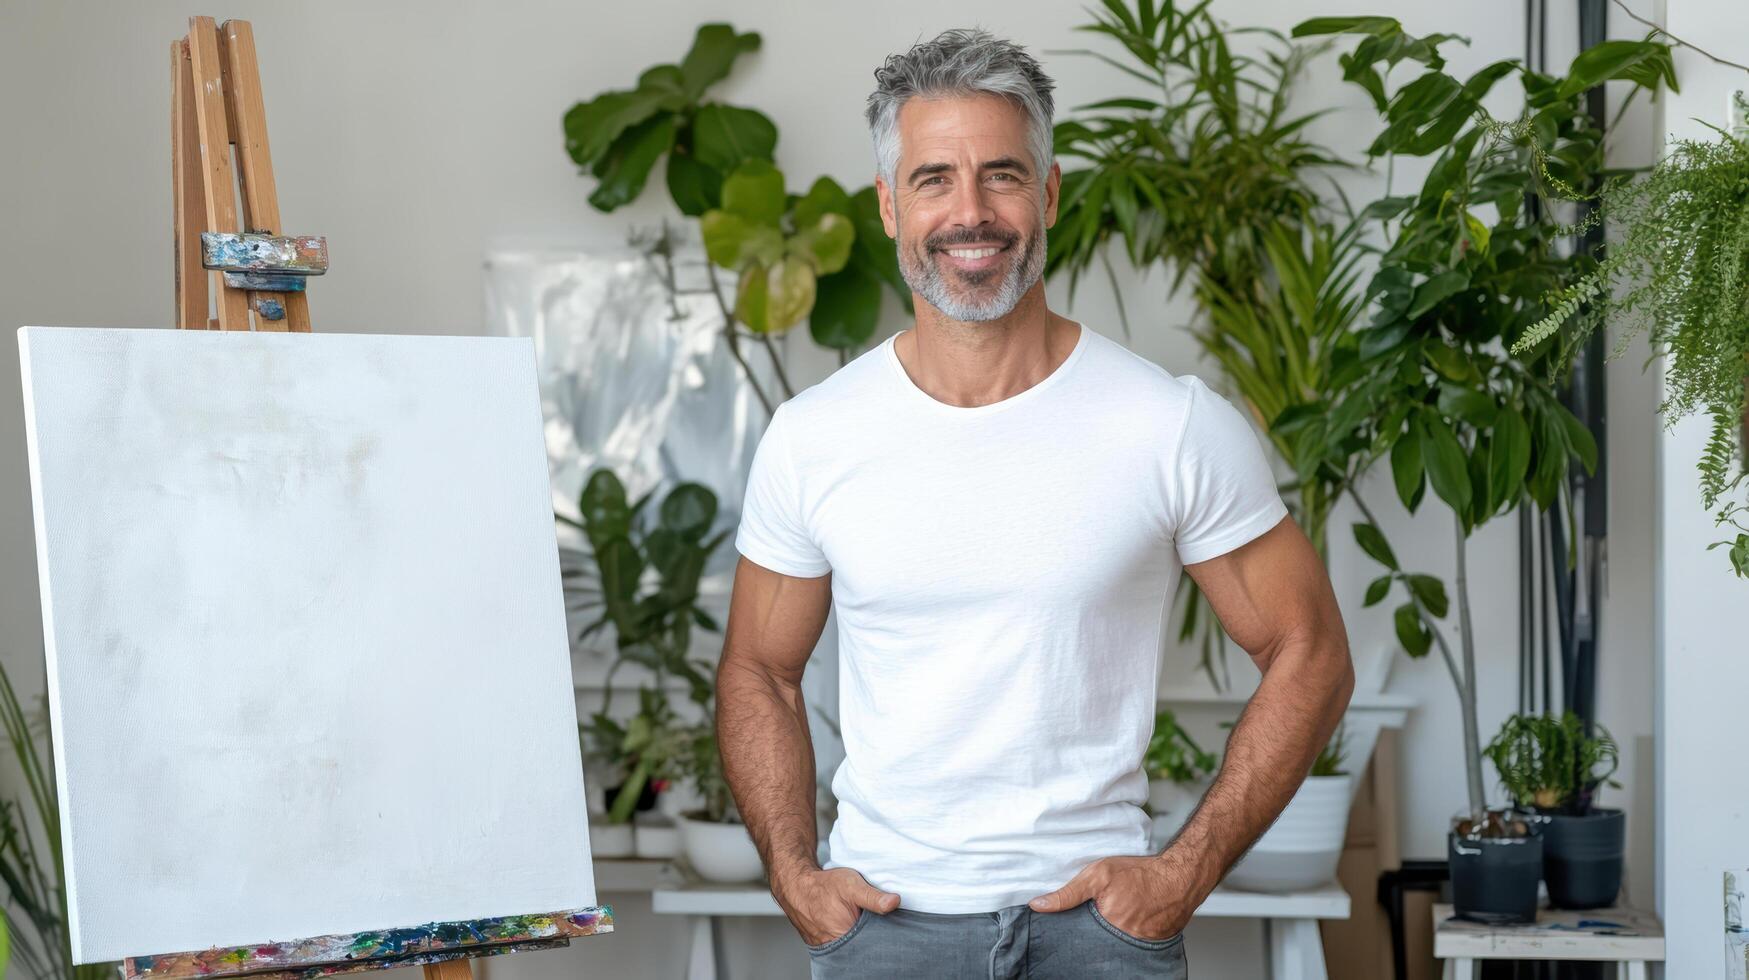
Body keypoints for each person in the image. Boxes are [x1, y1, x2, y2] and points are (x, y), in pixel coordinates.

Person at [714, 27, 1354, 979]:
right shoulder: (814, 437)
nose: (970, 213)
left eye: (1002, 175)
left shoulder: (1167, 424)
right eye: (933, 179)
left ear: (1048, 193)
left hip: (1099, 937)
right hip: (883, 932)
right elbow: (758, 669)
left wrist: (1180, 874)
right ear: (889, 207)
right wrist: (795, 876)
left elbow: (1310, 652)